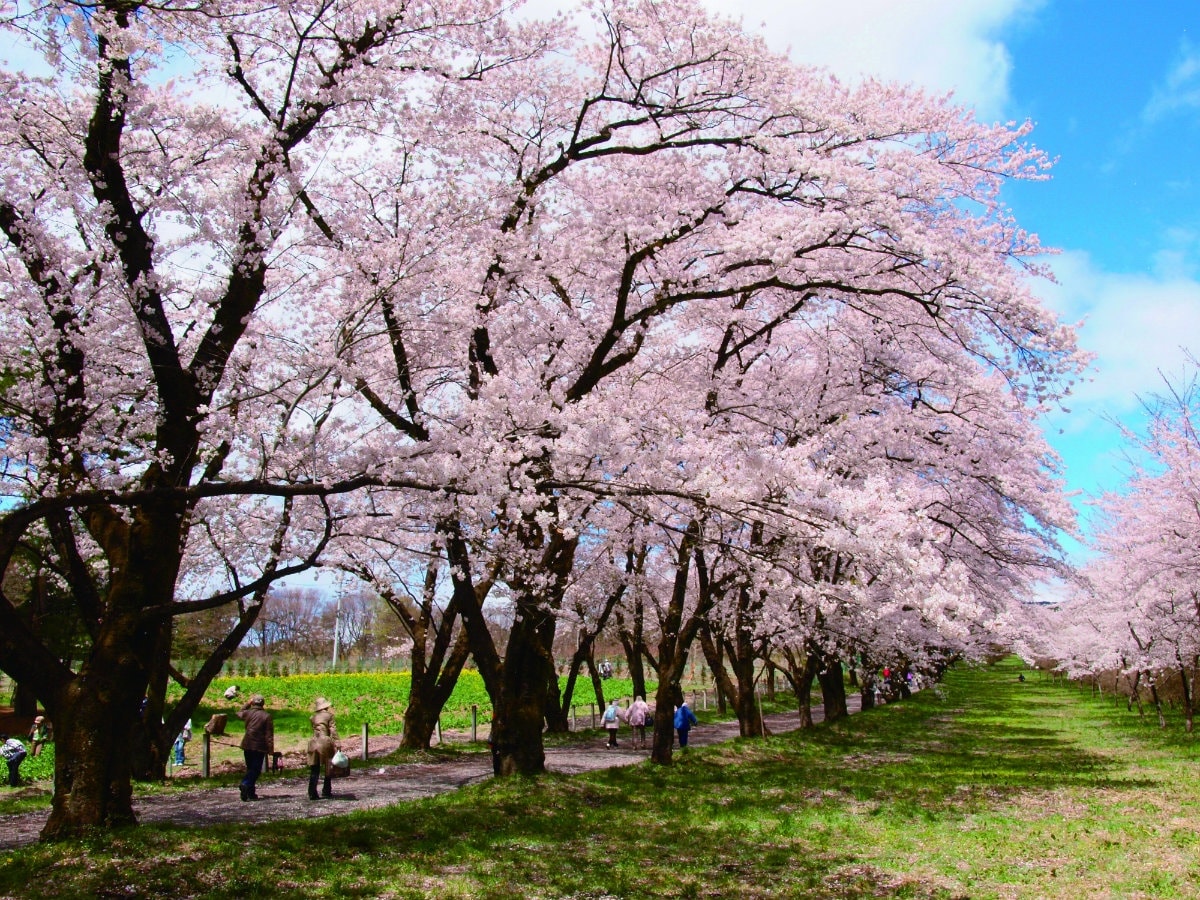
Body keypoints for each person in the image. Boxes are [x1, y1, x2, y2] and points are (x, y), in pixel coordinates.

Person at [236, 694, 273, 801]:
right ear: (263, 704)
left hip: (247, 744)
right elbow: (269, 735)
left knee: (250, 768)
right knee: (255, 770)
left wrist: (247, 703)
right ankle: (245, 784)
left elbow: (239, 712)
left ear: (253, 703)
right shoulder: (267, 716)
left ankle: (251, 793)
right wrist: (270, 749)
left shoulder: (247, 713)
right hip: (259, 746)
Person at [306, 697, 340, 800]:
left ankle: (312, 792)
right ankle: (326, 790)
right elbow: (332, 730)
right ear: (326, 706)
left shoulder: (313, 717)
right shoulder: (329, 716)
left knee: (314, 769)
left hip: (313, 742)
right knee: (328, 767)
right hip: (325, 741)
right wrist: (337, 742)